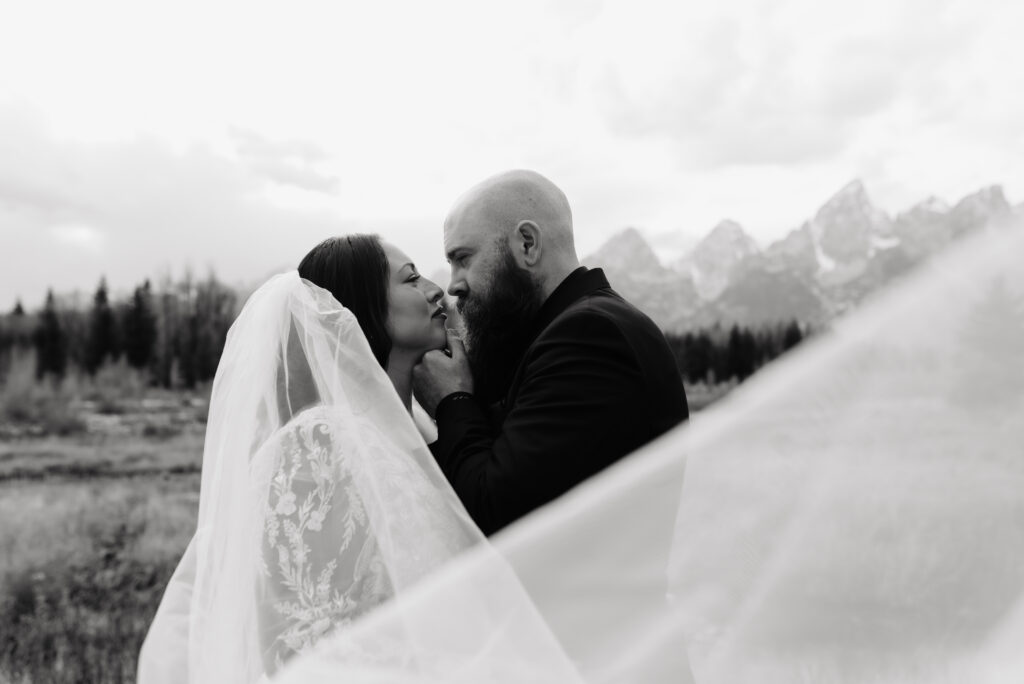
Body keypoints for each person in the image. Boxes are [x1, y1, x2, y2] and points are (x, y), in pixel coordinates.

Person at [138, 235, 581, 684]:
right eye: (411, 278)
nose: (436, 290)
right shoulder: (319, 445)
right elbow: (304, 631)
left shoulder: (427, 433)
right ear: (353, 308)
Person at [413, 170, 690, 535]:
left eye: (463, 258)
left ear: (527, 243)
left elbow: (496, 514)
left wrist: (453, 402)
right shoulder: (556, 332)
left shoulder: (590, 337)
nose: (453, 284)